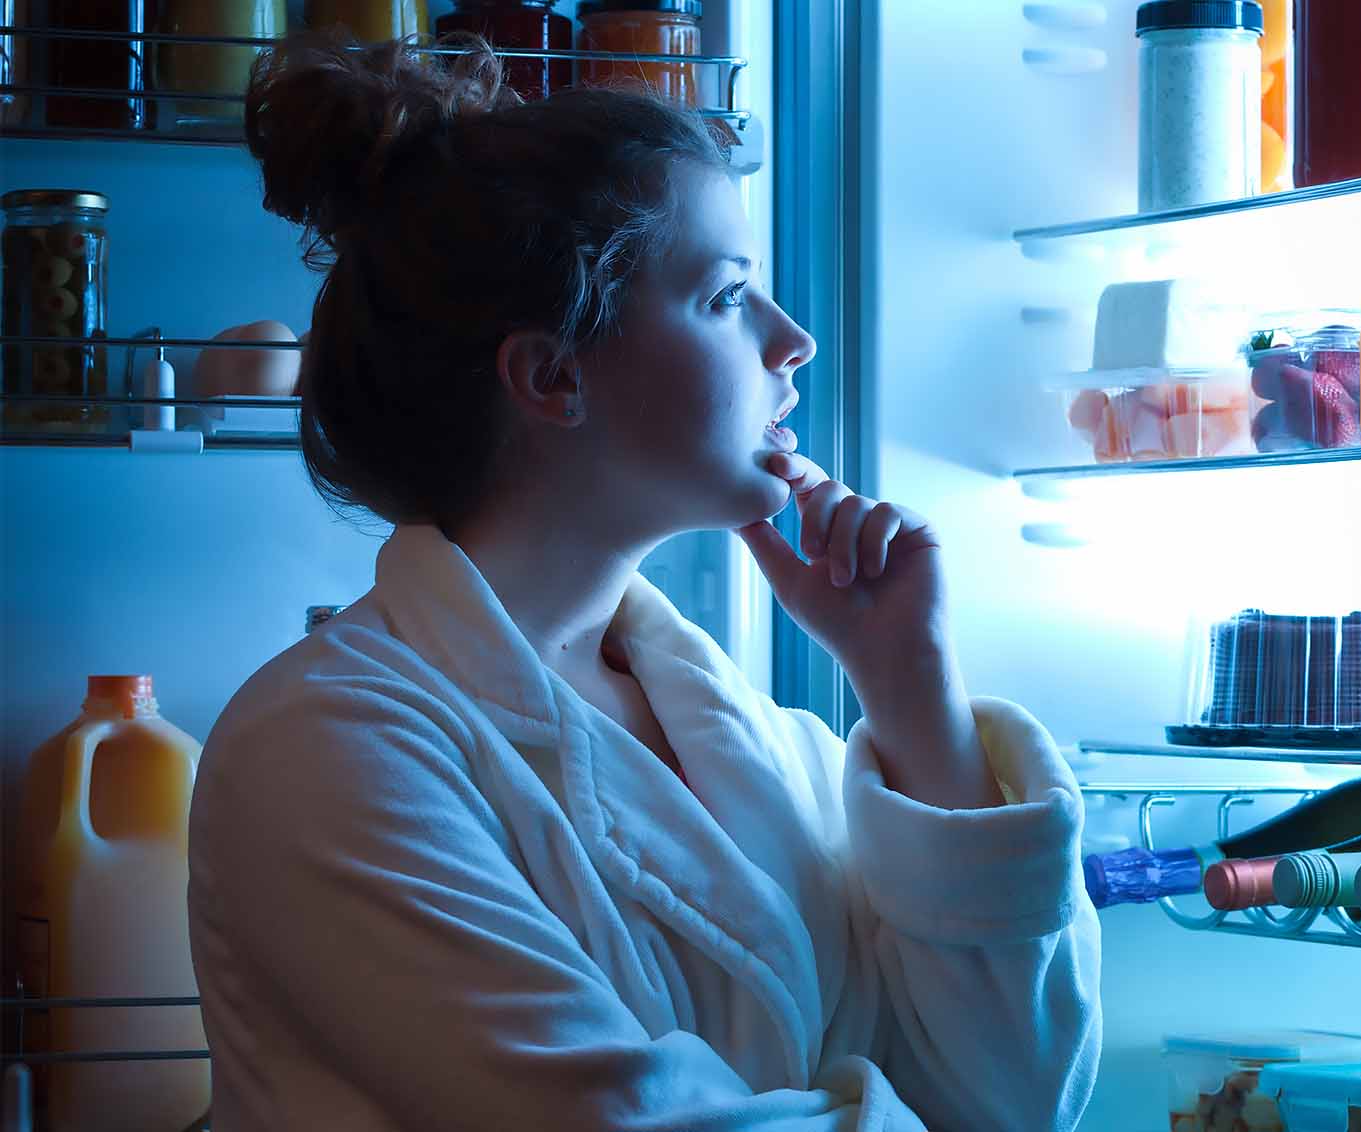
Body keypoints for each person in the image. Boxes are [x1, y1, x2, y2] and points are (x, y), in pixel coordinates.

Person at [187, 31, 1102, 1132]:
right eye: (727, 298)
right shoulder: (325, 746)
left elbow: (1016, 1098)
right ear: (553, 374)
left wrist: (912, 695)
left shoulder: (767, 741)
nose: (793, 340)